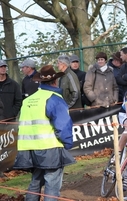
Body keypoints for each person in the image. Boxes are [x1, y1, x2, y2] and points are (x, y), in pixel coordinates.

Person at [14, 64, 75, 201]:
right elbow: (63, 126)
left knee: (35, 182)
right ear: (55, 81)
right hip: (50, 148)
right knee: (52, 186)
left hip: (28, 149)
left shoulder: (28, 101)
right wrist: (68, 144)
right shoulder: (54, 99)